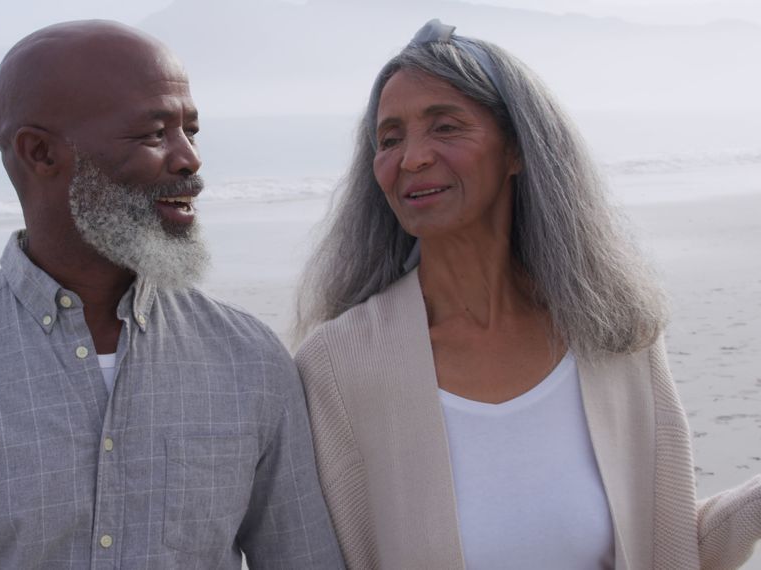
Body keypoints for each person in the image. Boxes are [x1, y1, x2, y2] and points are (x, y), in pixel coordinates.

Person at [0, 20, 343, 569]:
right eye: (154, 134)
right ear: (40, 153)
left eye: (190, 130)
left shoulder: (250, 361)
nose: (189, 158)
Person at [294, 19, 761, 570]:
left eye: (445, 127)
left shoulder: (613, 336)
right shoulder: (341, 366)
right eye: (389, 138)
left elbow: (665, 544)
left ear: (517, 148)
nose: (412, 157)